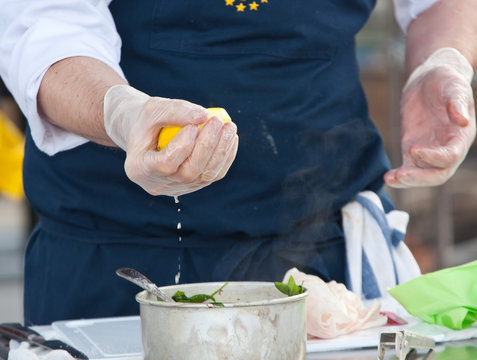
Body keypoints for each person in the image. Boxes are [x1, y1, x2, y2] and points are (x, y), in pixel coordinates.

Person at [0, 0, 475, 326]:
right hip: (116, 260)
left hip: (324, 259)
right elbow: (46, 22)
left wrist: (442, 60)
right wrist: (122, 114)